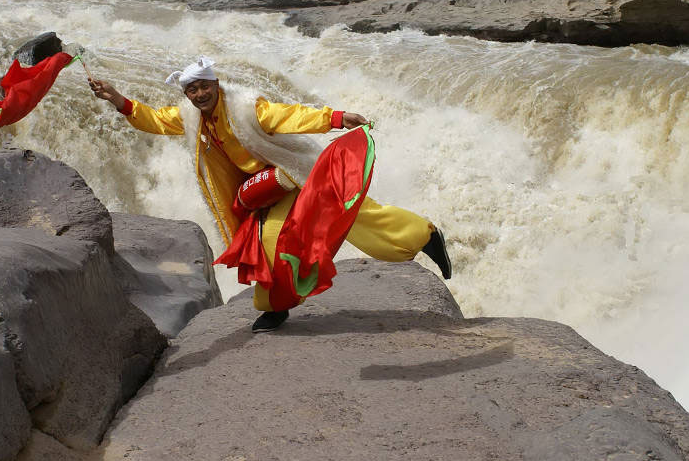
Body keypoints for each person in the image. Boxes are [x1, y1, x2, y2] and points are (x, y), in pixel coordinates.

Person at [88, 56, 451, 331]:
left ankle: (425, 236)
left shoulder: (247, 107)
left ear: (216, 84)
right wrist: (116, 98)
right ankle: (277, 307)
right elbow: (154, 119)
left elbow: (290, 115)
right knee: (271, 241)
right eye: (192, 90)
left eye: (203, 87)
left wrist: (337, 118)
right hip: (267, 189)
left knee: (353, 214)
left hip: (295, 174)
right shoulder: (192, 116)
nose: (199, 95)